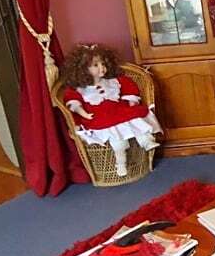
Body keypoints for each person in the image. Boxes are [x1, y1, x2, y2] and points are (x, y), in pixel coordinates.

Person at [60, 44, 162, 177]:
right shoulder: (80, 89)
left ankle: (146, 141)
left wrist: (131, 102)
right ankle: (120, 163)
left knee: (135, 119)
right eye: (96, 65)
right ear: (83, 69)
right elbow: (74, 103)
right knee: (117, 139)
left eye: (103, 63)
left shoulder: (113, 82)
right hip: (99, 117)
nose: (102, 68)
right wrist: (83, 113)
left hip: (118, 111)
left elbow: (128, 89)